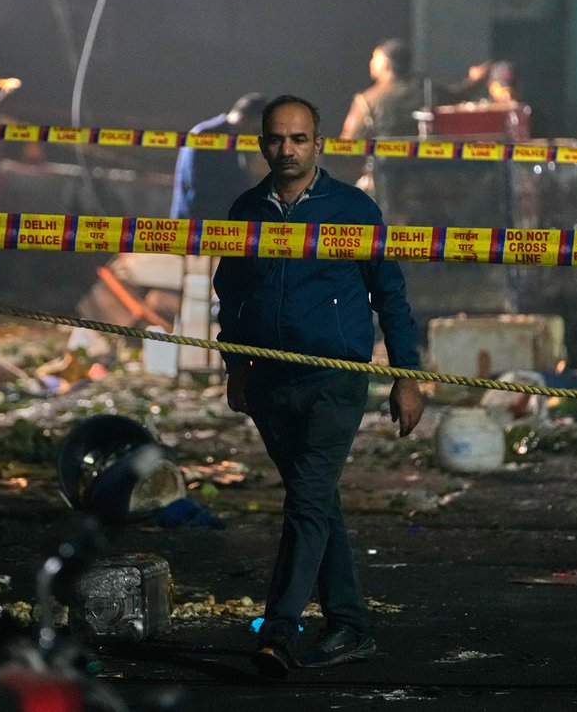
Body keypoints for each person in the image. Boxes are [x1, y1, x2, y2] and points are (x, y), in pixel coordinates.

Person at [212, 95, 424, 677]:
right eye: (277, 139)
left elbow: (392, 297)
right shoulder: (246, 210)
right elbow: (229, 291)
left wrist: (408, 376)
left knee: (306, 499)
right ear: (261, 144)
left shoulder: (354, 209)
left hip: (336, 378)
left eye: (298, 139)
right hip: (269, 380)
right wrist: (236, 365)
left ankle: (277, 630)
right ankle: (351, 624)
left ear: (319, 143)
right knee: (318, 502)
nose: (287, 150)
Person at [170, 92, 266, 221]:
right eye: (256, 128)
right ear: (244, 119)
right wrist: (251, 174)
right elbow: (205, 186)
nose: (256, 134)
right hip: (196, 226)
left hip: (215, 225)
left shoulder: (233, 138)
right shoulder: (207, 136)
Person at [339, 38, 422, 140]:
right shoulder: (428, 93)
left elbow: (347, 142)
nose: (371, 62)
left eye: (375, 58)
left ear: (385, 63)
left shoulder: (367, 100)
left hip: (383, 155)